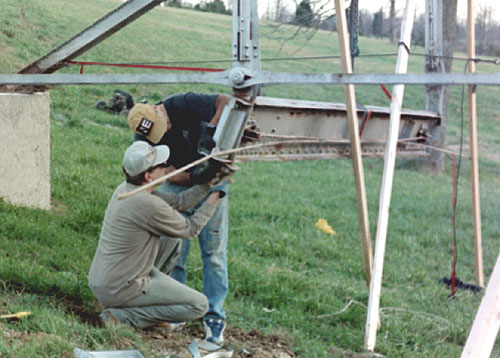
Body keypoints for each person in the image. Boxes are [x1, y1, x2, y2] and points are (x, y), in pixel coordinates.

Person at [88, 140, 228, 330]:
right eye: (161, 166)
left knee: (172, 238)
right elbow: (190, 228)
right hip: (121, 287)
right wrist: (217, 194)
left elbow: (179, 202)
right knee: (199, 305)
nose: (166, 168)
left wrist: (209, 181)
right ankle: (122, 316)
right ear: (148, 176)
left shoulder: (127, 189)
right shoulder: (147, 204)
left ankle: (144, 307)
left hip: (106, 280)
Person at [127, 92, 231, 344]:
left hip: (214, 179)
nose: (163, 133)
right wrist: (192, 177)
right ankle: (177, 309)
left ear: (156, 109)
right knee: (176, 250)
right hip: (181, 183)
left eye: (164, 126)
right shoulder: (143, 136)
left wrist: (211, 131)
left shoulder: (184, 103)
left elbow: (225, 101)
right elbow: (157, 174)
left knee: (214, 253)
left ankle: (214, 315)